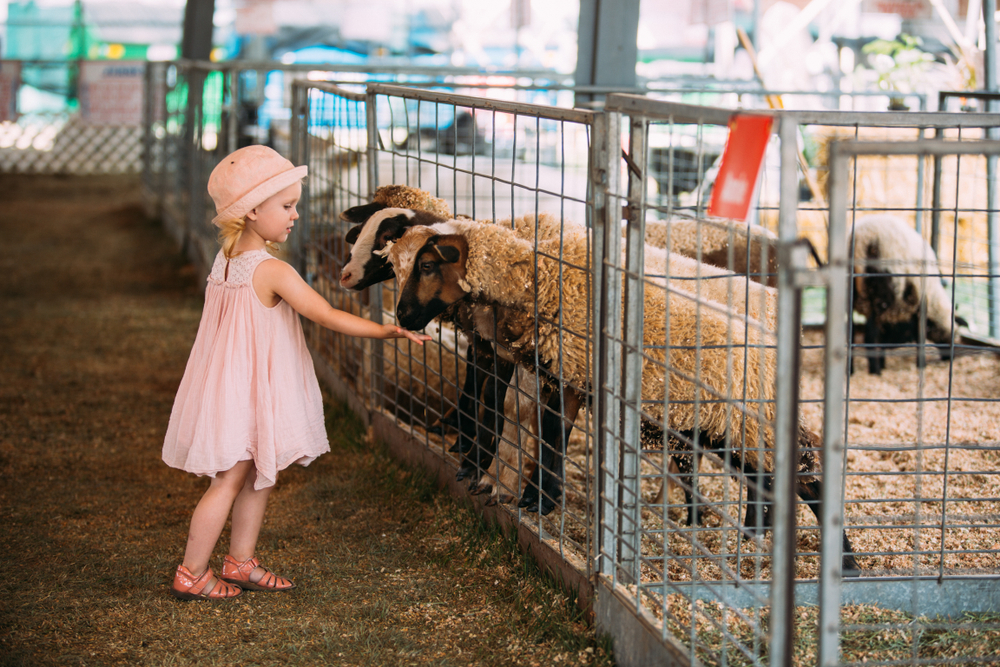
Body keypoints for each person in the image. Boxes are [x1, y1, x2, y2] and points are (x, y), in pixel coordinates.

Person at [162, 145, 430, 601]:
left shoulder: (225, 259)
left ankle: (240, 561)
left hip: (232, 385)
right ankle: (191, 573)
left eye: (295, 204)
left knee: (256, 473)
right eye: (286, 206)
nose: (295, 215)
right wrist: (388, 331)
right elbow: (324, 313)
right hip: (248, 390)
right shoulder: (271, 269)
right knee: (229, 479)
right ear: (250, 212)